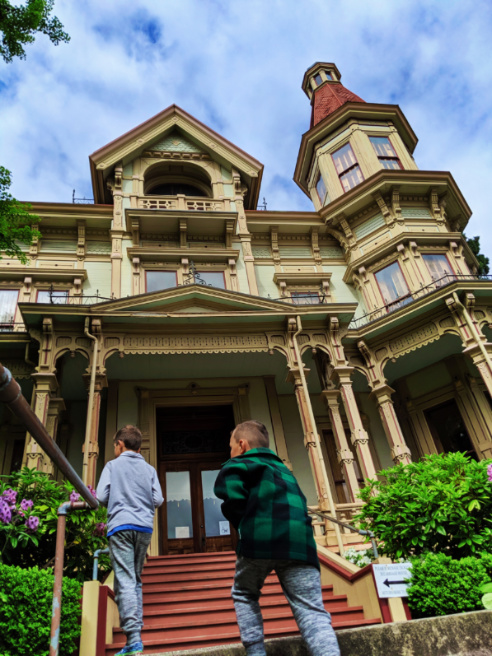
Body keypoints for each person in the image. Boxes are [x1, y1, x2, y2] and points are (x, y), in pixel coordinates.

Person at [214, 420, 341, 656]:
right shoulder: (285, 470)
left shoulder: (238, 464)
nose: (230, 452)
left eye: (231, 447)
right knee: (311, 610)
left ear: (242, 445)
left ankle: (256, 652)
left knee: (244, 593)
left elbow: (232, 499)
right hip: (299, 545)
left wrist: (245, 527)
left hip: (259, 541)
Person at [96, 425, 164, 656]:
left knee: (124, 579)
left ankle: (134, 638)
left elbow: (101, 496)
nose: (115, 448)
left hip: (121, 526)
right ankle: (133, 637)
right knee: (134, 579)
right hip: (144, 527)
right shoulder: (149, 469)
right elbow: (158, 499)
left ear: (120, 444)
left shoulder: (112, 466)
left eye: (115, 445)